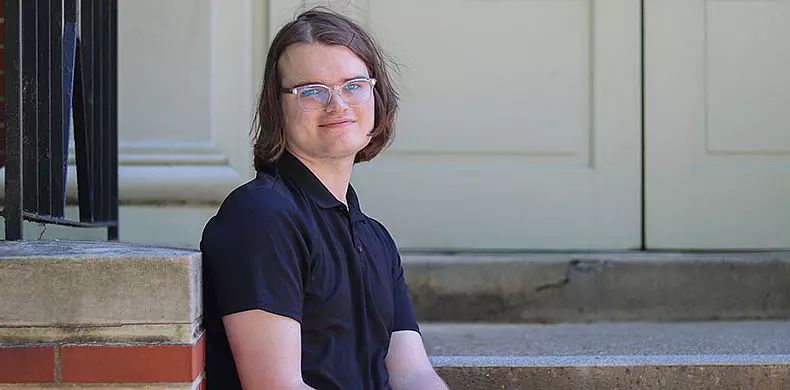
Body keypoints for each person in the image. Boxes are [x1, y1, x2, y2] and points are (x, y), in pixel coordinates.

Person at [200, 8, 449, 390]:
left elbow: (411, 373)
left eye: (354, 85)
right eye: (311, 91)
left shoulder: (375, 239)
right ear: (277, 106)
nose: (338, 104)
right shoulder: (261, 217)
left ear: (376, 96)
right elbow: (277, 386)